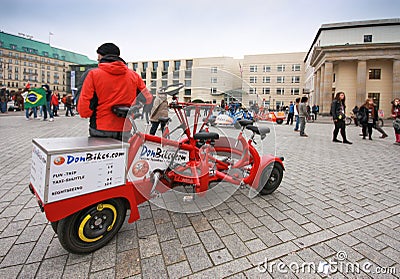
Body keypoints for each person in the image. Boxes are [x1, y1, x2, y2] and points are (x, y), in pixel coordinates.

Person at [78, 43, 153, 141]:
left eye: (98, 58)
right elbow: (148, 99)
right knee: (123, 155)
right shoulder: (134, 76)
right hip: (125, 127)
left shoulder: (93, 74)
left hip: (100, 127)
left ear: (102, 57)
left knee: (103, 155)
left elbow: (84, 110)